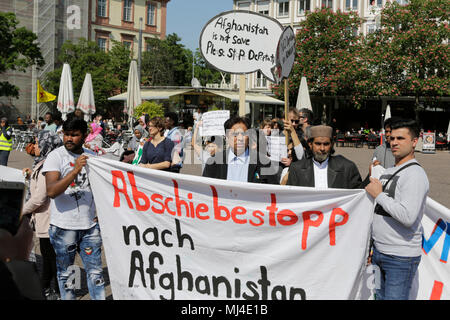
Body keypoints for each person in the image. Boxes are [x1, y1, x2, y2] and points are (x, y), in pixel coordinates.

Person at [365, 119, 429, 300]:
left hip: (400, 257)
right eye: (391, 138)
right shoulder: (388, 171)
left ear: (415, 141)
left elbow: (408, 216)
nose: (394, 142)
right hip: (379, 252)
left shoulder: (415, 174)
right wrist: (372, 247)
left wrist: (379, 195)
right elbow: (378, 213)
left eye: (400, 138)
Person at [42, 118, 105, 300]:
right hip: (64, 227)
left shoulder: (92, 158)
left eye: (75, 135)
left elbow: (101, 189)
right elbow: (52, 191)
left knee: (96, 274)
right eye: (66, 134)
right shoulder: (56, 156)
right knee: (69, 273)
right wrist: (75, 170)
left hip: (90, 228)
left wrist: (100, 213)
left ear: (84, 136)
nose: (69, 138)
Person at [22, 130, 63, 300]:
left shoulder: (48, 166)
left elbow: (39, 197)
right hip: (45, 217)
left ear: (47, 145)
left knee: (50, 257)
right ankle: (49, 288)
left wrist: (22, 211)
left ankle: (53, 289)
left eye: (38, 143)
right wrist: (31, 175)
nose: (35, 146)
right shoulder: (42, 164)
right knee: (49, 256)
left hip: (47, 217)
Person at [202, 116, 278, 184]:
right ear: (227, 137)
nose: (240, 138)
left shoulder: (264, 163)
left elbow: (275, 192)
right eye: (235, 134)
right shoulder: (213, 163)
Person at [286, 125, 362, 189]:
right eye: (318, 144)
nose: (322, 148)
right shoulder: (296, 169)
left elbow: (359, 195)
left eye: (326, 144)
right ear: (310, 144)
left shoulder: (347, 168)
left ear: (332, 145)